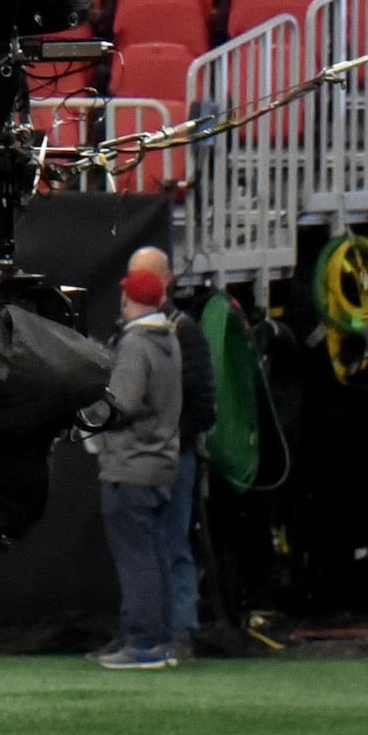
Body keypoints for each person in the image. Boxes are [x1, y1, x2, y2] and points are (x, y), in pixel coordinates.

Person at [83, 250, 184, 672]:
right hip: (161, 465)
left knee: (137, 559)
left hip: (130, 466)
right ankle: (158, 640)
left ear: (131, 302)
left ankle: (143, 643)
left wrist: (88, 424)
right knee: (157, 557)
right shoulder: (171, 339)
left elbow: (119, 403)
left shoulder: (136, 344)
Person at [164, 265, 218, 651]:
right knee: (157, 545)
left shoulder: (184, 332)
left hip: (173, 455)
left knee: (174, 542)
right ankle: (151, 626)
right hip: (150, 454)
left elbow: (202, 398)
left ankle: (182, 627)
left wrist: (179, 440)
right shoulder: (133, 332)